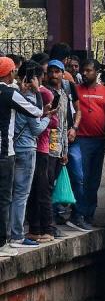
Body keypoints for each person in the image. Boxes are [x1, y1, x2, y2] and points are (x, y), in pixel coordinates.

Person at [0, 57, 44, 257]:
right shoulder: (10, 93)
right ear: (9, 73)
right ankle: (5, 240)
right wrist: (35, 91)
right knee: (8, 197)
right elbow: (36, 112)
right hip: (5, 152)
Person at [68, 59, 105, 232]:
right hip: (80, 140)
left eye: (89, 70)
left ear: (97, 72)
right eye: (84, 70)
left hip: (98, 141)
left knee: (94, 179)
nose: (86, 73)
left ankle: (90, 214)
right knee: (81, 178)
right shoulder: (75, 90)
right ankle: (78, 214)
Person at [11, 62, 50, 248]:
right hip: (26, 149)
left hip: (13, 148)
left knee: (10, 194)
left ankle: (9, 232)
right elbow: (36, 128)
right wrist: (49, 118)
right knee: (21, 194)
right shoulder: (29, 99)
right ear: (35, 78)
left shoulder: (14, 94)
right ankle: (17, 234)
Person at [45, 60, 78, 232]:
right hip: (46, 147)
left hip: (59, 147)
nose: (53, 75)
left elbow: (64, 124)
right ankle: (48, 225)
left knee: (52, 184)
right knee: (47, 185)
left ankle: (51, 223)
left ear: (63, 73)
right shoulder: (45, 93)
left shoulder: (64, 94)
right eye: (51, 71)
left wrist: (64, 150)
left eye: (57, 71)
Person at [26, 84, 57, 243]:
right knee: (33, 192)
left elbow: (54, 122)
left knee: (42, 190)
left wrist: (45, 115)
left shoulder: (43, 93)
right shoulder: (26, 93)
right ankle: (35, 230)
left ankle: (48, 229)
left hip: (41, 149)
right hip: (35, 149)